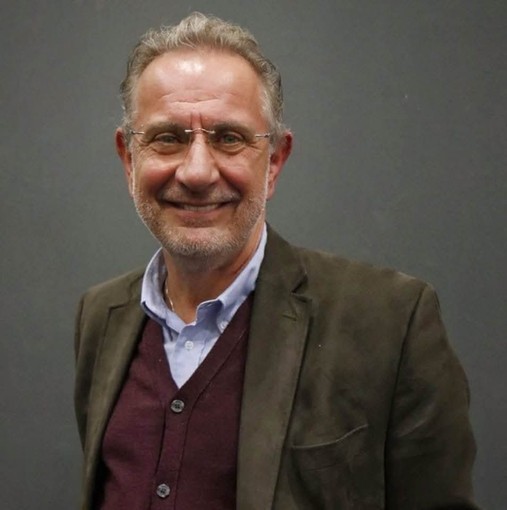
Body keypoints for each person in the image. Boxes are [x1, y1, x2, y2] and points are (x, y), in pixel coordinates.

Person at [74, 12, 479, 510]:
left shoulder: (391, 323)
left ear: (274, 162)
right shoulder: (101, 318)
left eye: (229, 138)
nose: (197, 172)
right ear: (128, 159)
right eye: (167, 138)